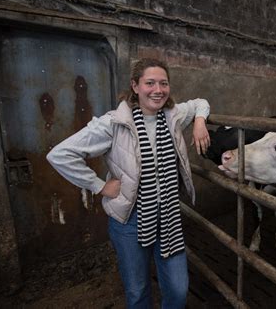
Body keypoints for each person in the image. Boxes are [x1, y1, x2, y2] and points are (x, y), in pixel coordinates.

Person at [46, 58, 211, 308]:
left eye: (163, 83)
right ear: (135, 86)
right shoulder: (114, 123)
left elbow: (201, 102)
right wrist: (98, 186)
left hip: (168, 217)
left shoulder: (174, 115)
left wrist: (199, 121)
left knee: (178, 290)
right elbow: (59, 154)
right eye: (150, 83)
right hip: (130, 220)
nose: (158, 90)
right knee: (137, 291)